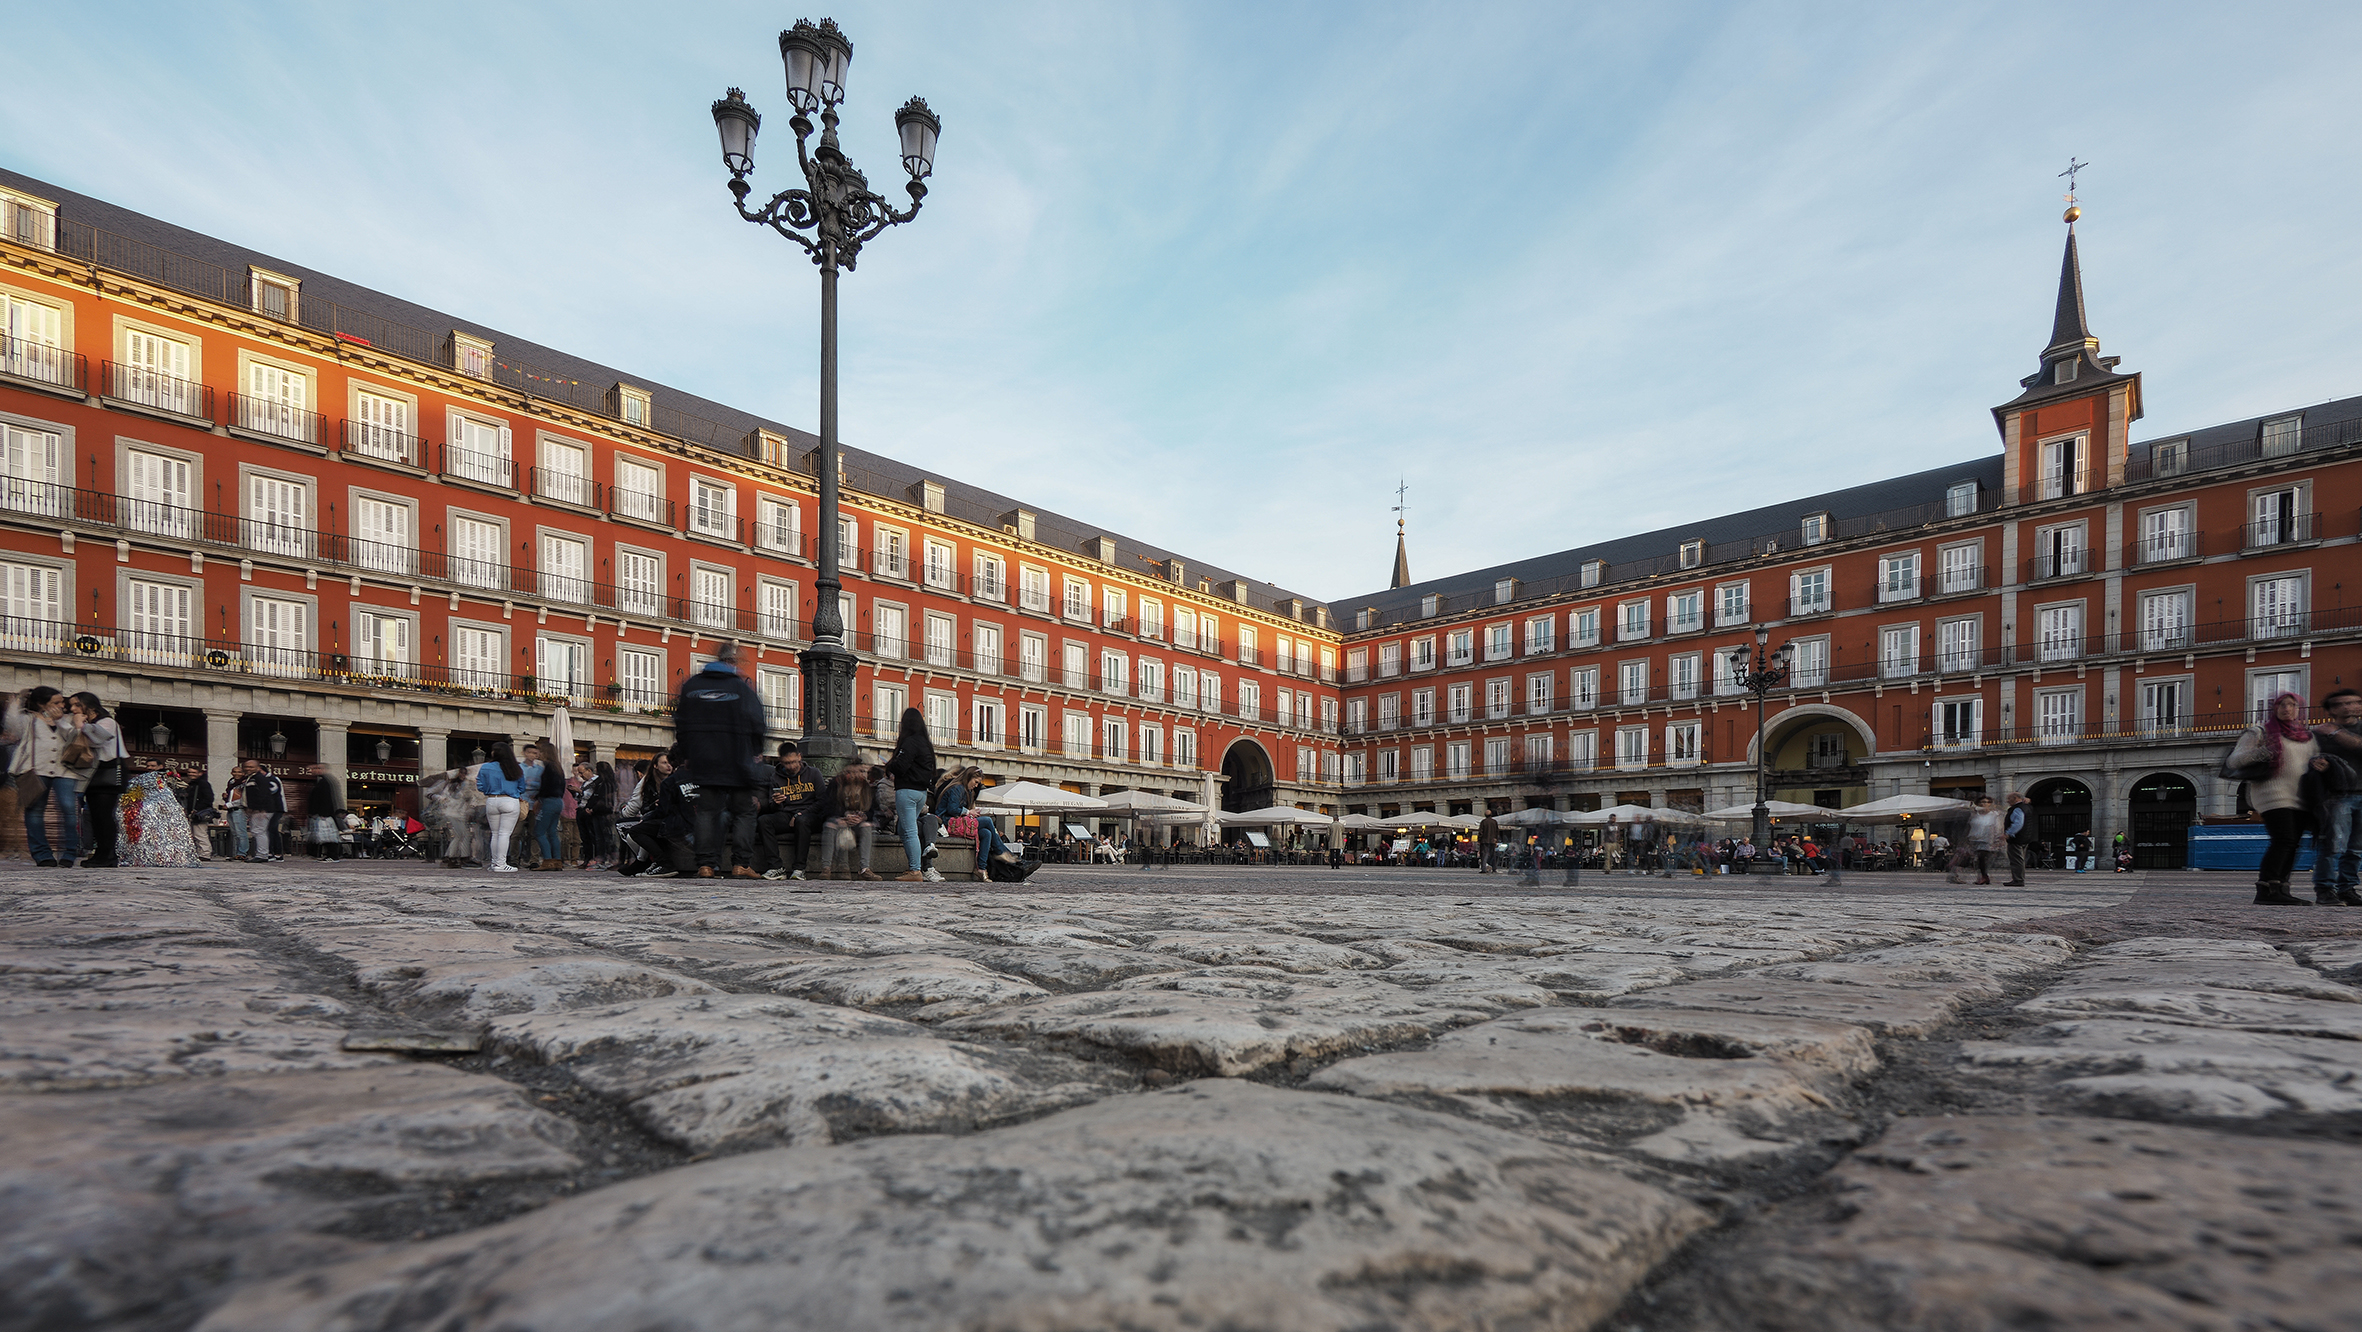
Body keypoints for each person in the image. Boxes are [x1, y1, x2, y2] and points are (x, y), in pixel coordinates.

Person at [673, 642, 767, 880]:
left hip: (704, 759)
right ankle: (740, 864)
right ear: (733, 662)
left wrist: (687, 754)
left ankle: (705, 865)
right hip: (738, 759)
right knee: (744, 812)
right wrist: (755, 750)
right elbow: (758, 723)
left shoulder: (692, 685)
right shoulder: (742, 688)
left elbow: (680, 724)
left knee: (706, 812)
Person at [2227, 692, 2319, 905]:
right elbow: (2234, 761)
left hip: (2300, 797)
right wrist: (2265, 751)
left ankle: (2281, 888)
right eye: (2282, 705)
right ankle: (2266, 889)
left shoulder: (2307, 737)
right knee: (2284, 839)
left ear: (2299, 709)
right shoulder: (2260, 732)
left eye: (2292, 705)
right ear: (2274, 708)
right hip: (2273, 795)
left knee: (2293, 843)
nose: (2287, 709)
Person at [8, 687, 80, 867]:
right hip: (35, 770)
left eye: (61, 702)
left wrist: (60, 722)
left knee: (69, 809)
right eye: (56, 703)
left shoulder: (68, 720)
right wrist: (17, 701)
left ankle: (69, 854)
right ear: (42, 704)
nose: (61, 705)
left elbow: (74, 738)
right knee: (34, 812)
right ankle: (42, 855)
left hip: (65, 771)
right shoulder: (29, 720)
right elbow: (11, 725)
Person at [2306, 687, 2362, 905]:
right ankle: (2325, 889)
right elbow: (2308, 758)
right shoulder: (2318, 735)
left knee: (2356, 849)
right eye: (2342, 703)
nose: (2349, 706)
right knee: (2332, 846)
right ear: (2331, 709)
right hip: (2336, 796)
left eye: (2354, 702)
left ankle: (2348, 888)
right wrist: (2316, 763)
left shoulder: (2331, 732)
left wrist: (2336, 733)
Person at [66, 695, 125, 867]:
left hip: (109, 770)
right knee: (96, 815)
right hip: (93, 772)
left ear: (88, 705)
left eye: (77, 705)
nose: (73, 709)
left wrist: (80, 725)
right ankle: (101, 853)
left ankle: (109, 855)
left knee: (104, 815)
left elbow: (98, 739)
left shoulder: (107, 721)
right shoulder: (86, 723)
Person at [884, 707, 938, 884]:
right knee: (904, 829)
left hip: (907, 791)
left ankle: (915, 870)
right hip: (921, 793)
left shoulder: (910, 742)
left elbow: (901, 766)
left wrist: (890, 766)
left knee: (909, 831)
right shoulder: (926, 744)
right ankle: (914, 868)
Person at [120, 758, 203, 868]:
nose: (150, 768)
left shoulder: (167, 778)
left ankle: (166, 857)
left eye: (153, 766)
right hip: (149, 814)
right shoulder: (143, 780)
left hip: (165, 813)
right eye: (148, 765)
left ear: (160, 767)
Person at [759, 745, 822, 880]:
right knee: (764, 821)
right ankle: (776, 867)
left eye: (794, 762)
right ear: (781, 761)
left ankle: (799, 868)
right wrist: (776, 803)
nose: (791, 766)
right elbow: (773, 808)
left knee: (802, 821)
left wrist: (801, 813)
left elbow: (822, 801)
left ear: (799, 757)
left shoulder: (814, 773)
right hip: (787, 814)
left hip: (809, 814)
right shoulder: (776, 777)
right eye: (787, 763)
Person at [816, 762, 881, 881]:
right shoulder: (835, 785)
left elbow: (873, 810)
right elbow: (827, 808)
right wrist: (843, 815)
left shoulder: (866, 788)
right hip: (839, 818)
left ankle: (864, 869)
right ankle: (828, 867)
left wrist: (863, 817)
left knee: (867, 826)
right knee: (832, 825)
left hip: (858, 821)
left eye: (859, 772)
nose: (855, 775)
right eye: (852, 772)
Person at [474, 742, 530, 874]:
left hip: (492, 800)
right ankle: (501, 863)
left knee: (495, 834)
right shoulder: (516, 768)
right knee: (505, 834)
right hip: (510, 800)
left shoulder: (486, 767)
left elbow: (480, 786)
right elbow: (522, 787)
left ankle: (495, 863)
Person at [236, 759, 286, 862]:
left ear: (257, 768)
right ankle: (263, 854)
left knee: (259, 831)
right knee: (258, 831)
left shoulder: (259, 778)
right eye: (246, 767)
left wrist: (261, 809)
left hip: (261, 810)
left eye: (251, 767)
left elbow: (265, 794)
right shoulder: (251, 778)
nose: (248, 769)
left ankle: (262, 855)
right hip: (258, 809)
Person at [1948, 795, 2005, 884]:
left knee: (1982, 858)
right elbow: (1969, 826)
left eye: (1985, 802)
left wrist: (1998, 839)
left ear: (1990, 804)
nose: (1983, 804)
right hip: (1974, 839)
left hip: (1988, 840)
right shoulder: (1975, 815)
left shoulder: (1994, 815)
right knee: (1975, 860)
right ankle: (1982, 877)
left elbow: (1998, 827)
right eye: (1981, 802)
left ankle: (1984, 877)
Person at [575, 760, 612, 870]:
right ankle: (587, 858)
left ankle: (596, 858)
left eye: (582, 773)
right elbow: (581, 797)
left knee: (594, 836)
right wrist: (576, 793)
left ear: (589, 770)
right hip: (582, 809)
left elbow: (593, 796)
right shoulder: (585, 783)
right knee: (584, 837)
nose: (580, 776)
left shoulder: (598, 781)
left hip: (592, 811)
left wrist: (581, 793)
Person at [306, 761, 347, 859]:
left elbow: (327, 798)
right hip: (323, 814)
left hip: (325, 814)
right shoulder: (324, 781)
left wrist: (324, 812)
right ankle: (323, 854)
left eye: (318, 768)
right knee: (324, 836)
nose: (315, 770)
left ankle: (332, 856)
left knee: (328, 836)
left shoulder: (326, 782)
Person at [182, 764, 217, 860]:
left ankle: (205, 854)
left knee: (200, 833)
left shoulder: (203, 784)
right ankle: (200, 852)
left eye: (194, 772)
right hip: (194, 813)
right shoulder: (192, 784)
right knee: (195, 834)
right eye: (189, 772)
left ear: (200, 773)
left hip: (199, 813)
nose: (191, 774)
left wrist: (197, 809)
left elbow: (208, 798)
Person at [2002, 792, 2032, 886]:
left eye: (2009, 798)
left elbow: (2018, 823)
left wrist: (2008, 833)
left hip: (2017, 838)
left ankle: (2018, 880)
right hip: (2025, 837)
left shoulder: (2017, 808)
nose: (2007, 801)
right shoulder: (2027, 807)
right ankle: (2019, 879)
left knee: (2016, 860)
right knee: (2020, 859)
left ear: (2015, 798)